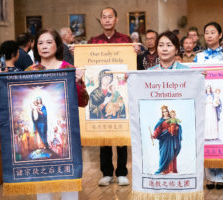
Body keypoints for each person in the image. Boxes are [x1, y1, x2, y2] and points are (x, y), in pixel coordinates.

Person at [25, 28, 89, 200]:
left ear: (57, 45)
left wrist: (77, 81)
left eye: (49, 42)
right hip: (39, 124)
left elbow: (83, 102)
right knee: (43, 181)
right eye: (40, 43)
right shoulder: (29, 71)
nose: (44, 46)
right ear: (35, 47)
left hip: (66, 132)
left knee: (69, 181)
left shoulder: (69, 69)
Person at [88, 7, 138, 187]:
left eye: (110, 17)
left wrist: (135, 52)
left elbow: (132, 66)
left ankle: (122, 172)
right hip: (100, 93)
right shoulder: (93, 41)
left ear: (116, 20)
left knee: (121, 133)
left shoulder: (125, 41)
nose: (107, 20)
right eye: (104, 17)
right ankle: (107, 172)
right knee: (104, 135)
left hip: (119, 91)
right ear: (100, 20)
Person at [194, 22, 223, 190]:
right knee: (207, 136)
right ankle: (209, 177)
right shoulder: (200, 57)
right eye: (206, 32)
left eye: (213, 32)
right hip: (206, 102)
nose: (209, 35)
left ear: (220, 35)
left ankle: (222, 176)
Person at [151, 105, 182, 174]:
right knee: (164, 154)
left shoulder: (172, 118)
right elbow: (158, 130)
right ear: (162, 113)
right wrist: (154, 135)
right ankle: (164, 170)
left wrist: (177, 128)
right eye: (164, 112)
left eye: (166, 111)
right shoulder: (161, 120)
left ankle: (172, 170)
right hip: (164, 140)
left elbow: (177, 126)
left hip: (171, 140)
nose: (165, 113)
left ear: (168, 111)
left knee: (171, 154)